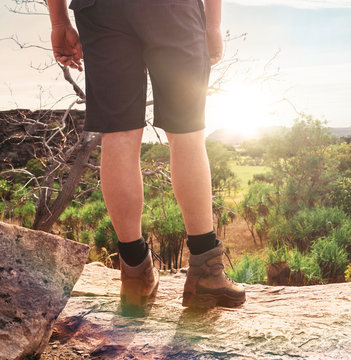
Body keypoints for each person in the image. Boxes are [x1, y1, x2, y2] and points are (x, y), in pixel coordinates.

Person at [47, 0, 245, 315]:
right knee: (186, 132)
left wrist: (58, 21)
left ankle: (135, 275)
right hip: (172, 8)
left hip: (100, 9)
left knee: (119, 135)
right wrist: (213, 23)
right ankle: (207, 271)